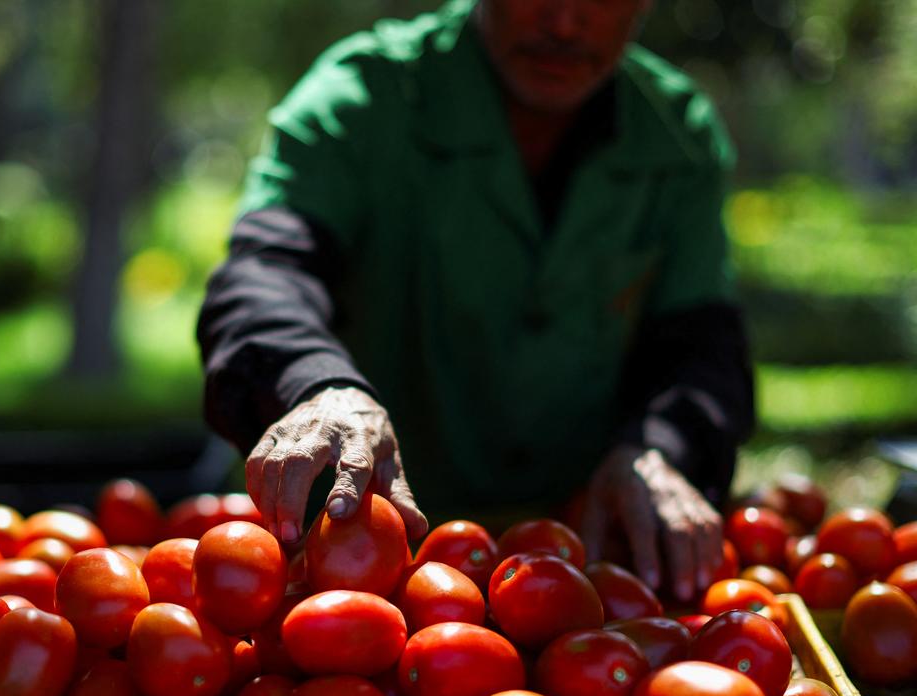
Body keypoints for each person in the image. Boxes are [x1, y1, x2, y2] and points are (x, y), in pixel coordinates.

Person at [197, 0, 755, 602]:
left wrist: (660, 449)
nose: (565, 23)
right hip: (341, 560)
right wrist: (317, 385)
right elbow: (264, 275)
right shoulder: (362, 98)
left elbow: (700, 344)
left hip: (588, 574)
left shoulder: (675, 135)